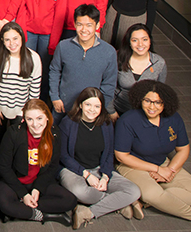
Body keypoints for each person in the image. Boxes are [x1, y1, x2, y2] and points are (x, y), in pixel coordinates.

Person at [115, 81, 191, 231]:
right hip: (133, 166)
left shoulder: (174, 119)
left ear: (166, 103)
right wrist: (157, 169)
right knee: (152, 193)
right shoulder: (128, 120)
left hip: (164, 164)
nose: (152, 107)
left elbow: (183, 150)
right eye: (147, 101)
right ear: (140, 100)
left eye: (158, 102)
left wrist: (170, 170)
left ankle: (142, 202)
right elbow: (121, 156)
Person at [58, 88, 141, 228]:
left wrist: (105, 177)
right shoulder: (68, 123)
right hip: (74, 170)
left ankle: (88, 211)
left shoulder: (106, 124)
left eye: (97, 106)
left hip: (99, 168)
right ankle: (119, 203)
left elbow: (109, 154)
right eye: (88, 105)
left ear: (102, 107)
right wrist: (87, 175)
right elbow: (63, 156)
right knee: (81, 192)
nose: (92, 110)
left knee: (134, 191)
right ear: (80, 105)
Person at [0, 99, 76, 222]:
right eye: (29, 119)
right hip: (15, 181)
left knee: (70, 200)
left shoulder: (54, 134)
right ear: (24, 119)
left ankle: (20, 211)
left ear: (47, 117)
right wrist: (24, 195)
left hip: (37, 181)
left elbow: (53, 166)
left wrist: (37, 189)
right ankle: (44, 215)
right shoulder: (13, 133)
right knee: (3, 203)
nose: (35, 124)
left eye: (39, 118)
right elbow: (3, 167)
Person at [50, 4, 117, 124]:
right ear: (75, 24)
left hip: (91, 111)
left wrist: (101, 107)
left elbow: (109, 84)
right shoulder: (63, 46)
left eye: (89, 25)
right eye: (79, 24)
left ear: (97, 26)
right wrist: (55, 97)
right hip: (64, 106)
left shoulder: (109, 52)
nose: (84, 29)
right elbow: (55, 71)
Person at [16, 0, 66, 99]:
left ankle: (41, 102)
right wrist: (22, 34)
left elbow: (60, 15)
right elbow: (21, 8)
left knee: (44, 70)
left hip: (47, 35)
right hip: (28, 32)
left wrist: (53, 42)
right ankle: (23, 100)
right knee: (26, 68)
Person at [0, 22, 42, 138]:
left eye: (15, 38)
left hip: (21, 110)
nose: (12, 43)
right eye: (7, 40)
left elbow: (34, 91)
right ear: (2, 40)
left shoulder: (34, 58)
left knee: (16, 140)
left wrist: (26, 113)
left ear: (22, 37)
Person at [114, 24, 167, 116]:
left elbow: (160, 91)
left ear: (150, 41)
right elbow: (108, 86)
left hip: (146, 113)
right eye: (135, 40)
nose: (140, 44)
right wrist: (111, 111)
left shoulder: (159, 63)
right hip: (119, 109)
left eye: (145, 39)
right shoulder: (117, 58)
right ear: (129, 42)